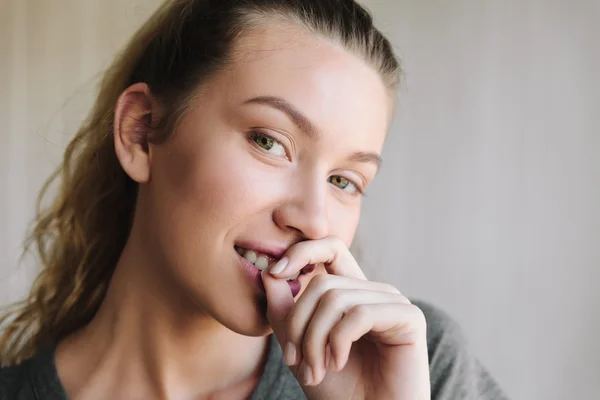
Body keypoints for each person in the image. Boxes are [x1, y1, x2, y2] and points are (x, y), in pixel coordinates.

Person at [0, 1, 509, 399]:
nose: (312, 219)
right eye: (269, 141)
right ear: (141, 133)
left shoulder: (415, 363)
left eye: (345, 181)